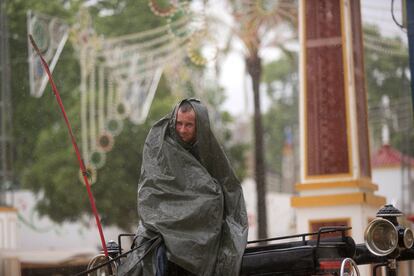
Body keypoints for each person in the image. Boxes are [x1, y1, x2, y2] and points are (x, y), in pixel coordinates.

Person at [118, 98, 248, 276]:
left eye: (189, 125)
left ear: (199, 126)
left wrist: (207, 198)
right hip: (160, 226)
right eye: (178, 123)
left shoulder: (209, 150)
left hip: (203, 228)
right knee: (151, 259)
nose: (182, 130)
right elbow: (153, 191)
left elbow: (227, 190)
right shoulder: (160, 143)